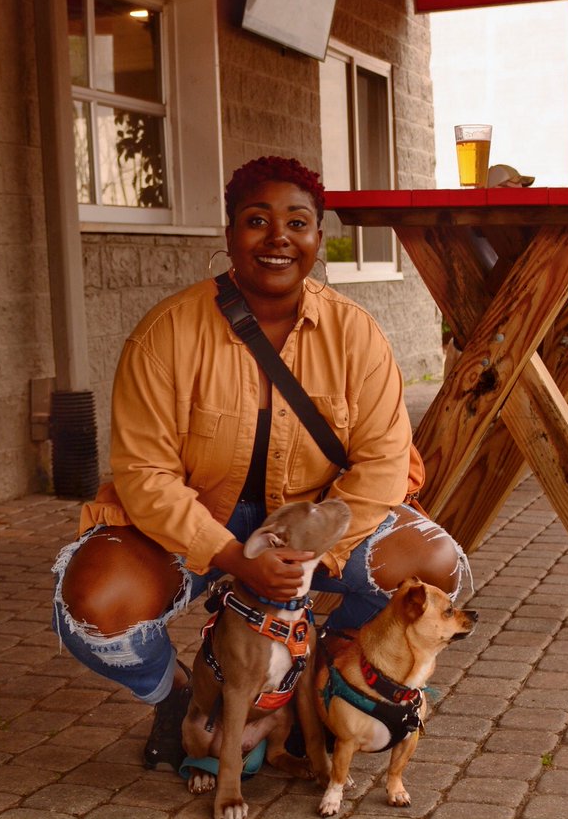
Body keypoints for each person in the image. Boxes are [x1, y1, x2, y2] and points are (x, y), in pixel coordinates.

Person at [51, 156, 470, 773]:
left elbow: (381, 465)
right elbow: (145, 474)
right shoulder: (164, 334)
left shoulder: (357, 336)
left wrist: (308, 559)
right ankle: (181, 701)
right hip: (196, 519)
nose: (278, 237)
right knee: (93, 606)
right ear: (229, 235)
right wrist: (229, 555)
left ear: (317, 239)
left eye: (297, 223)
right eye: (257, 220)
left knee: (438, 568)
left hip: (312, 524)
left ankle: (314, 683)